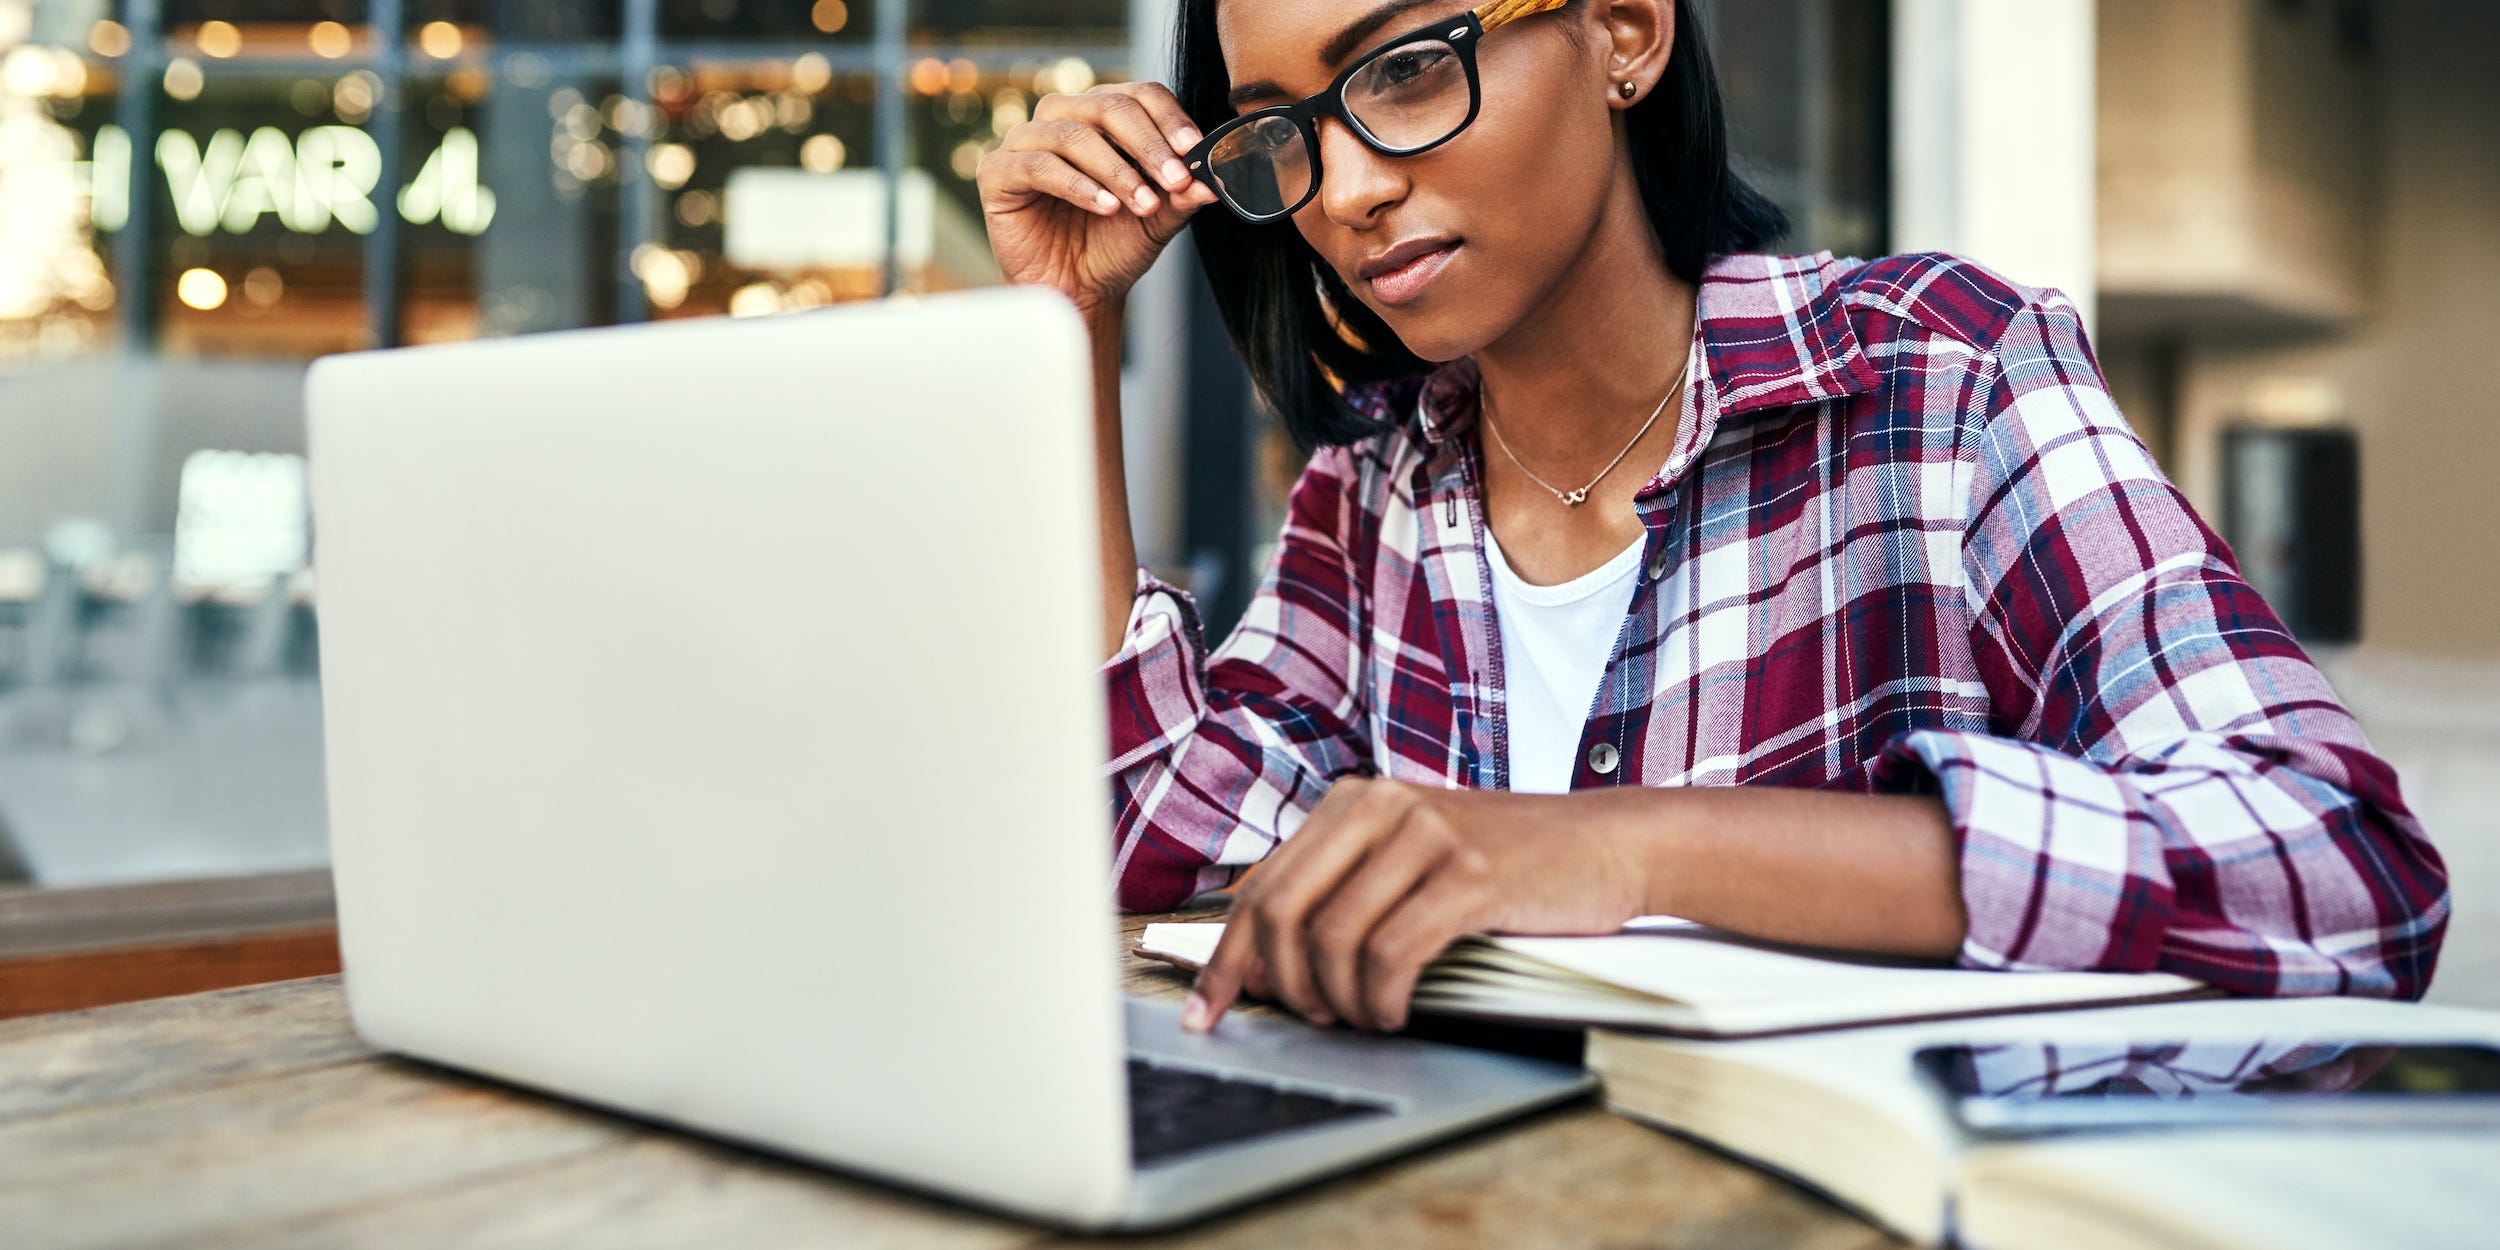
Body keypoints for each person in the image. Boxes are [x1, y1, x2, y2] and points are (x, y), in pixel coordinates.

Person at [974, 0, 2450, 1037]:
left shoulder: (1939, 376)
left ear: (1622, 28)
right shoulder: (1370, 498)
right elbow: (1147, 849)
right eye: (1279, 136)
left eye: (1409, 69)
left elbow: (2337, 861)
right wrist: (1072, 327)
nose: (1346, 189)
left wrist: (1627, 847)